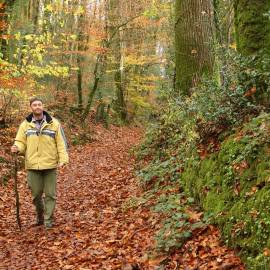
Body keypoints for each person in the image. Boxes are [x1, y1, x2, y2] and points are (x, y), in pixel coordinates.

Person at [11, 97, 69, 229]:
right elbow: (20, 142)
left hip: (49, 165)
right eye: (34, 105)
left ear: (43, 106)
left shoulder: (54, 123)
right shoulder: (25, 124)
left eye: (39, 104)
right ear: (31, 107)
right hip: (32, 165)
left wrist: (63, 159)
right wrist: (17, 148)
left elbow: (61, 143)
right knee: (36, 194)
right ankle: (40, 216)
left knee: (50, 194)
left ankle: (48, 220)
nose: (37, 107)